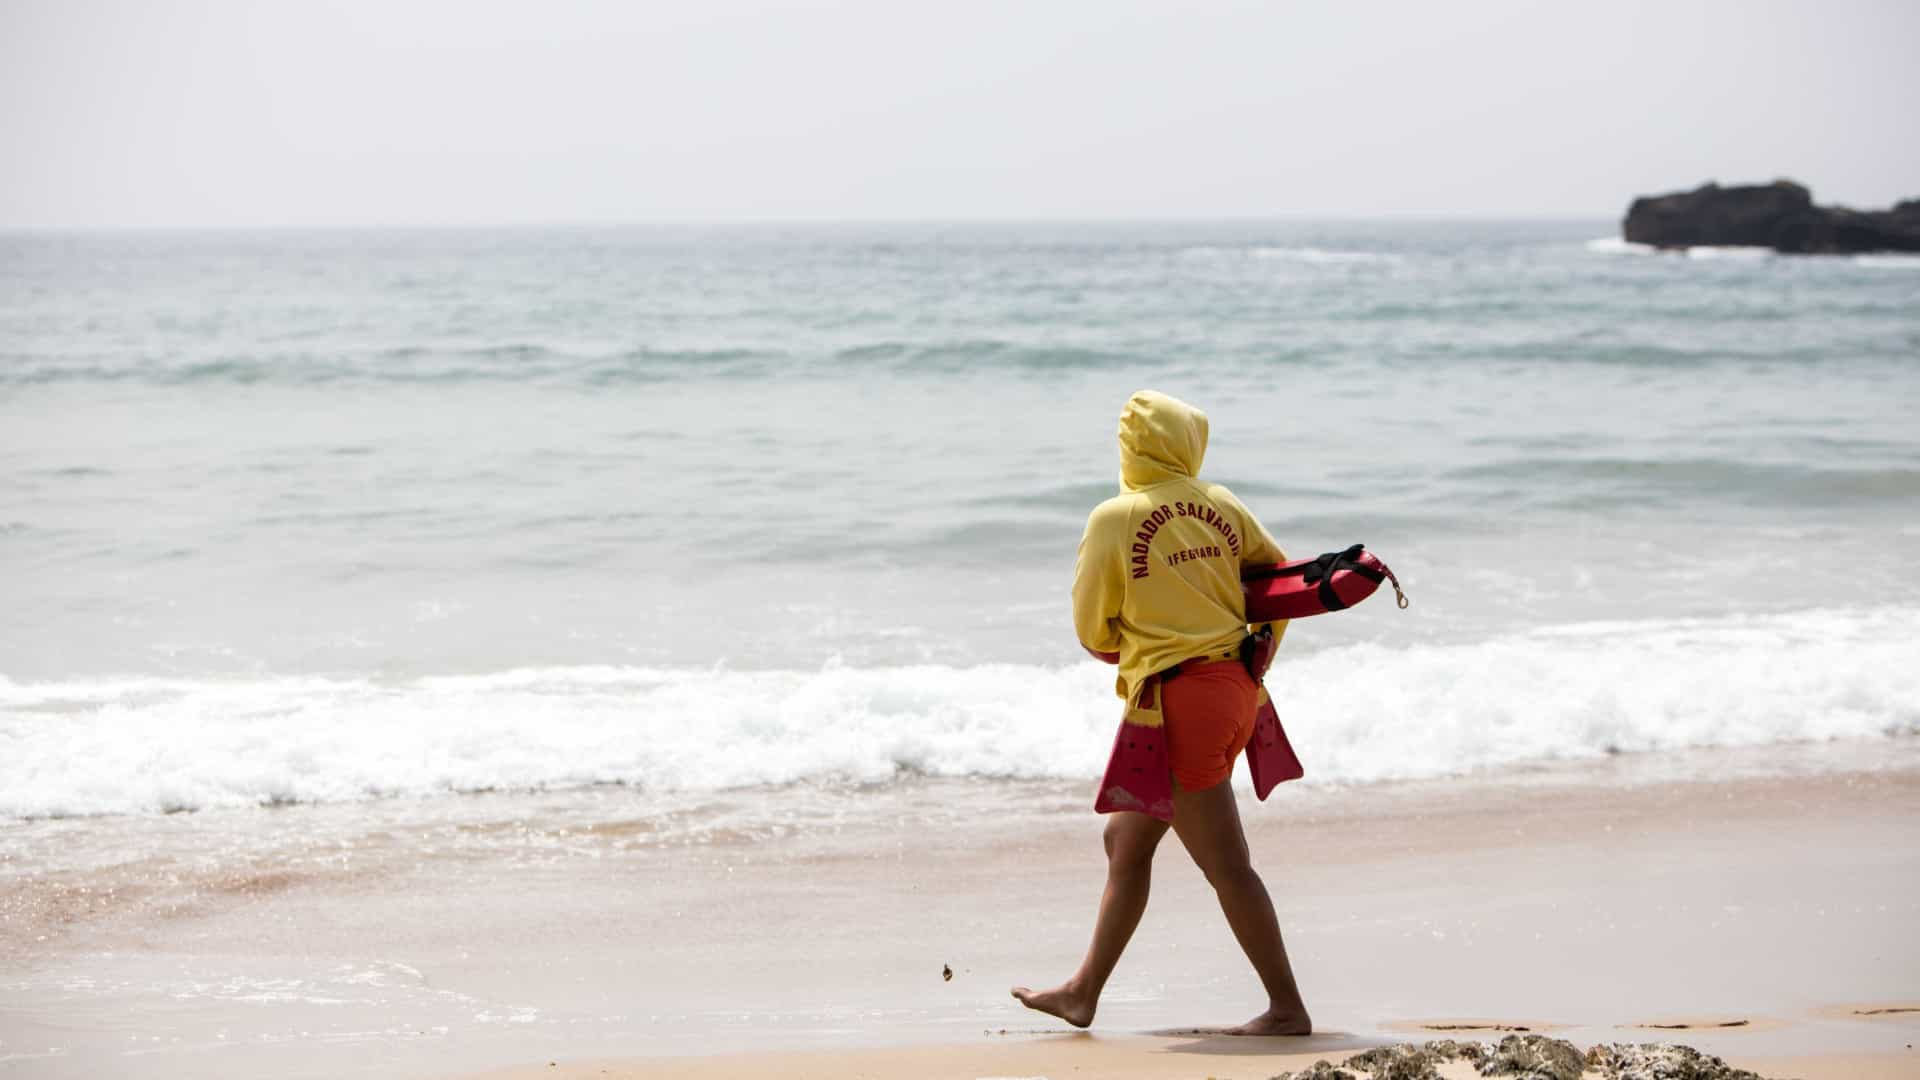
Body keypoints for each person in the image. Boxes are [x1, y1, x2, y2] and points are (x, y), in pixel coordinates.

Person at [1011, 389, 1312, 1036]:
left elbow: (1092, 626)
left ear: (1132, 448)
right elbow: (1282, 584)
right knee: (1126, 839)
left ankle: (1287, 1009)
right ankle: (1082, 991)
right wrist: (1252, 664)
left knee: (1226, 865)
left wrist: (1139, 641)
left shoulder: (1115, 519)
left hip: (1180, 702)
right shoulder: (1221, 505)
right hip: (1233, 689)